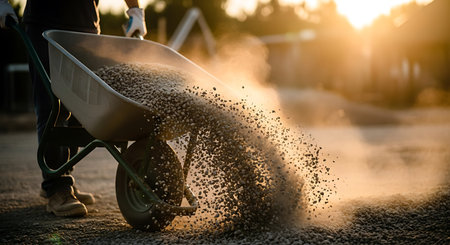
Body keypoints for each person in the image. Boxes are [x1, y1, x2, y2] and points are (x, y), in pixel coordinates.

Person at [0, 0, 147, 217]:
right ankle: (57, 188)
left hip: (87, 26)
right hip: (45, 25)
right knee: (54, 106)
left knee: (82, 108)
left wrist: (135, 9)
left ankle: (60, 175)